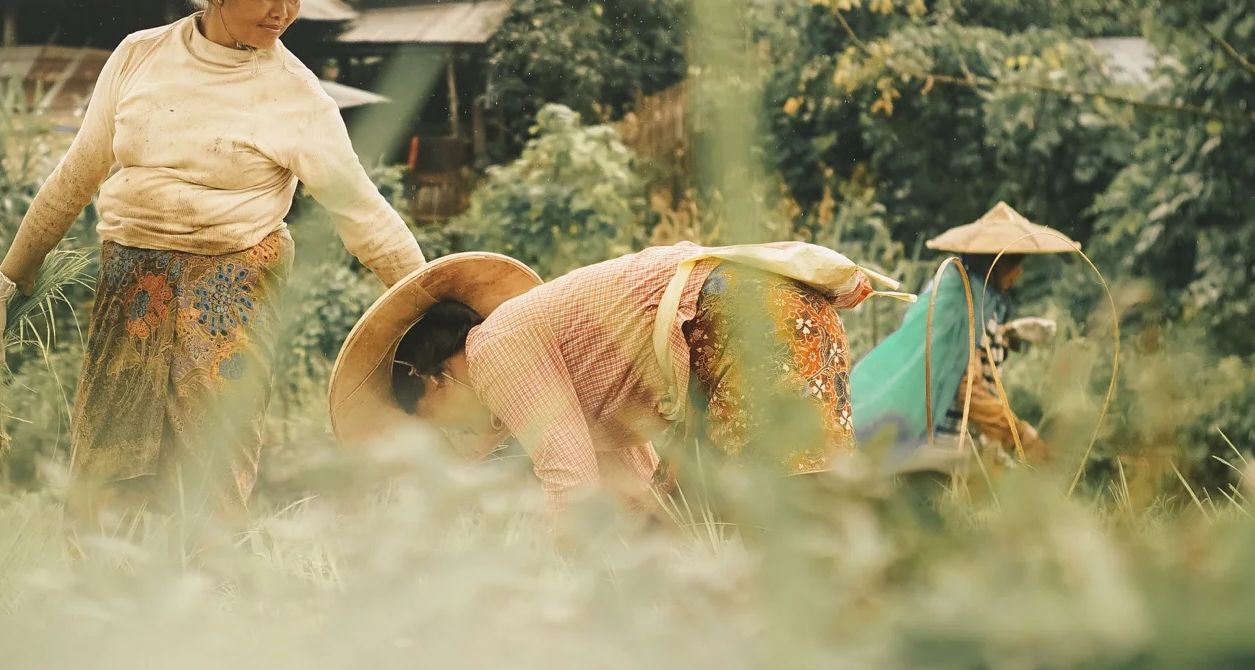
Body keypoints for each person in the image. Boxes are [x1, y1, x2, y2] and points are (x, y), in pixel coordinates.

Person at [0, 0, 424, 530]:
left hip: (233, 284)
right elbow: (75, 177)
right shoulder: (138, 57)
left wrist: (428, 308)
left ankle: (215, 601)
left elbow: (364, 215)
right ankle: (108, 605)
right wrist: (2, 288)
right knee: (108, 465)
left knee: (212, 466)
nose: (284, 11)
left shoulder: (296, 95)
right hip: (131, 279)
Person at [327, 241, 893, 512]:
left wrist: (554, 598)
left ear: (433, 381)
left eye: (436, 423)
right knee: (777, 504)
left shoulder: (495, 351)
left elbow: (569, 485)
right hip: (780, 309)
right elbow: (636, 497)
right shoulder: (563, 378)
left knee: (777, 510)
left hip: (742, 320)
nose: (454, 435)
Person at [848, 201, 1072, 462]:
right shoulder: (962, 302)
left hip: (951, 431)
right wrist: (1020, 437)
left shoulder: (965, 294)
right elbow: (967, 385)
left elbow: (962, 348)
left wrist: (1005, 334)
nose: (1019, 272)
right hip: (934, 433)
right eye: (1016, 264)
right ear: (998, 264)